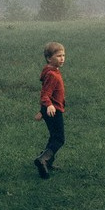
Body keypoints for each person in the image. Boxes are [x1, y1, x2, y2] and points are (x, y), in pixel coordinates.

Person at [34, 42, 66, 178]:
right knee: (59, 139)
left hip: (48, 110)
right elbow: (45, 94)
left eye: (63, 55)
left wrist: (42, 111)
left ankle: (47, 162)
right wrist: (49, 106)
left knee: (54, 136)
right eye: (58, 56)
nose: (62, 58)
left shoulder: (51, 71)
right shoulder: (52, 75)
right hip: (53, 111)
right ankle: (43, 159)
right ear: (49, 58)